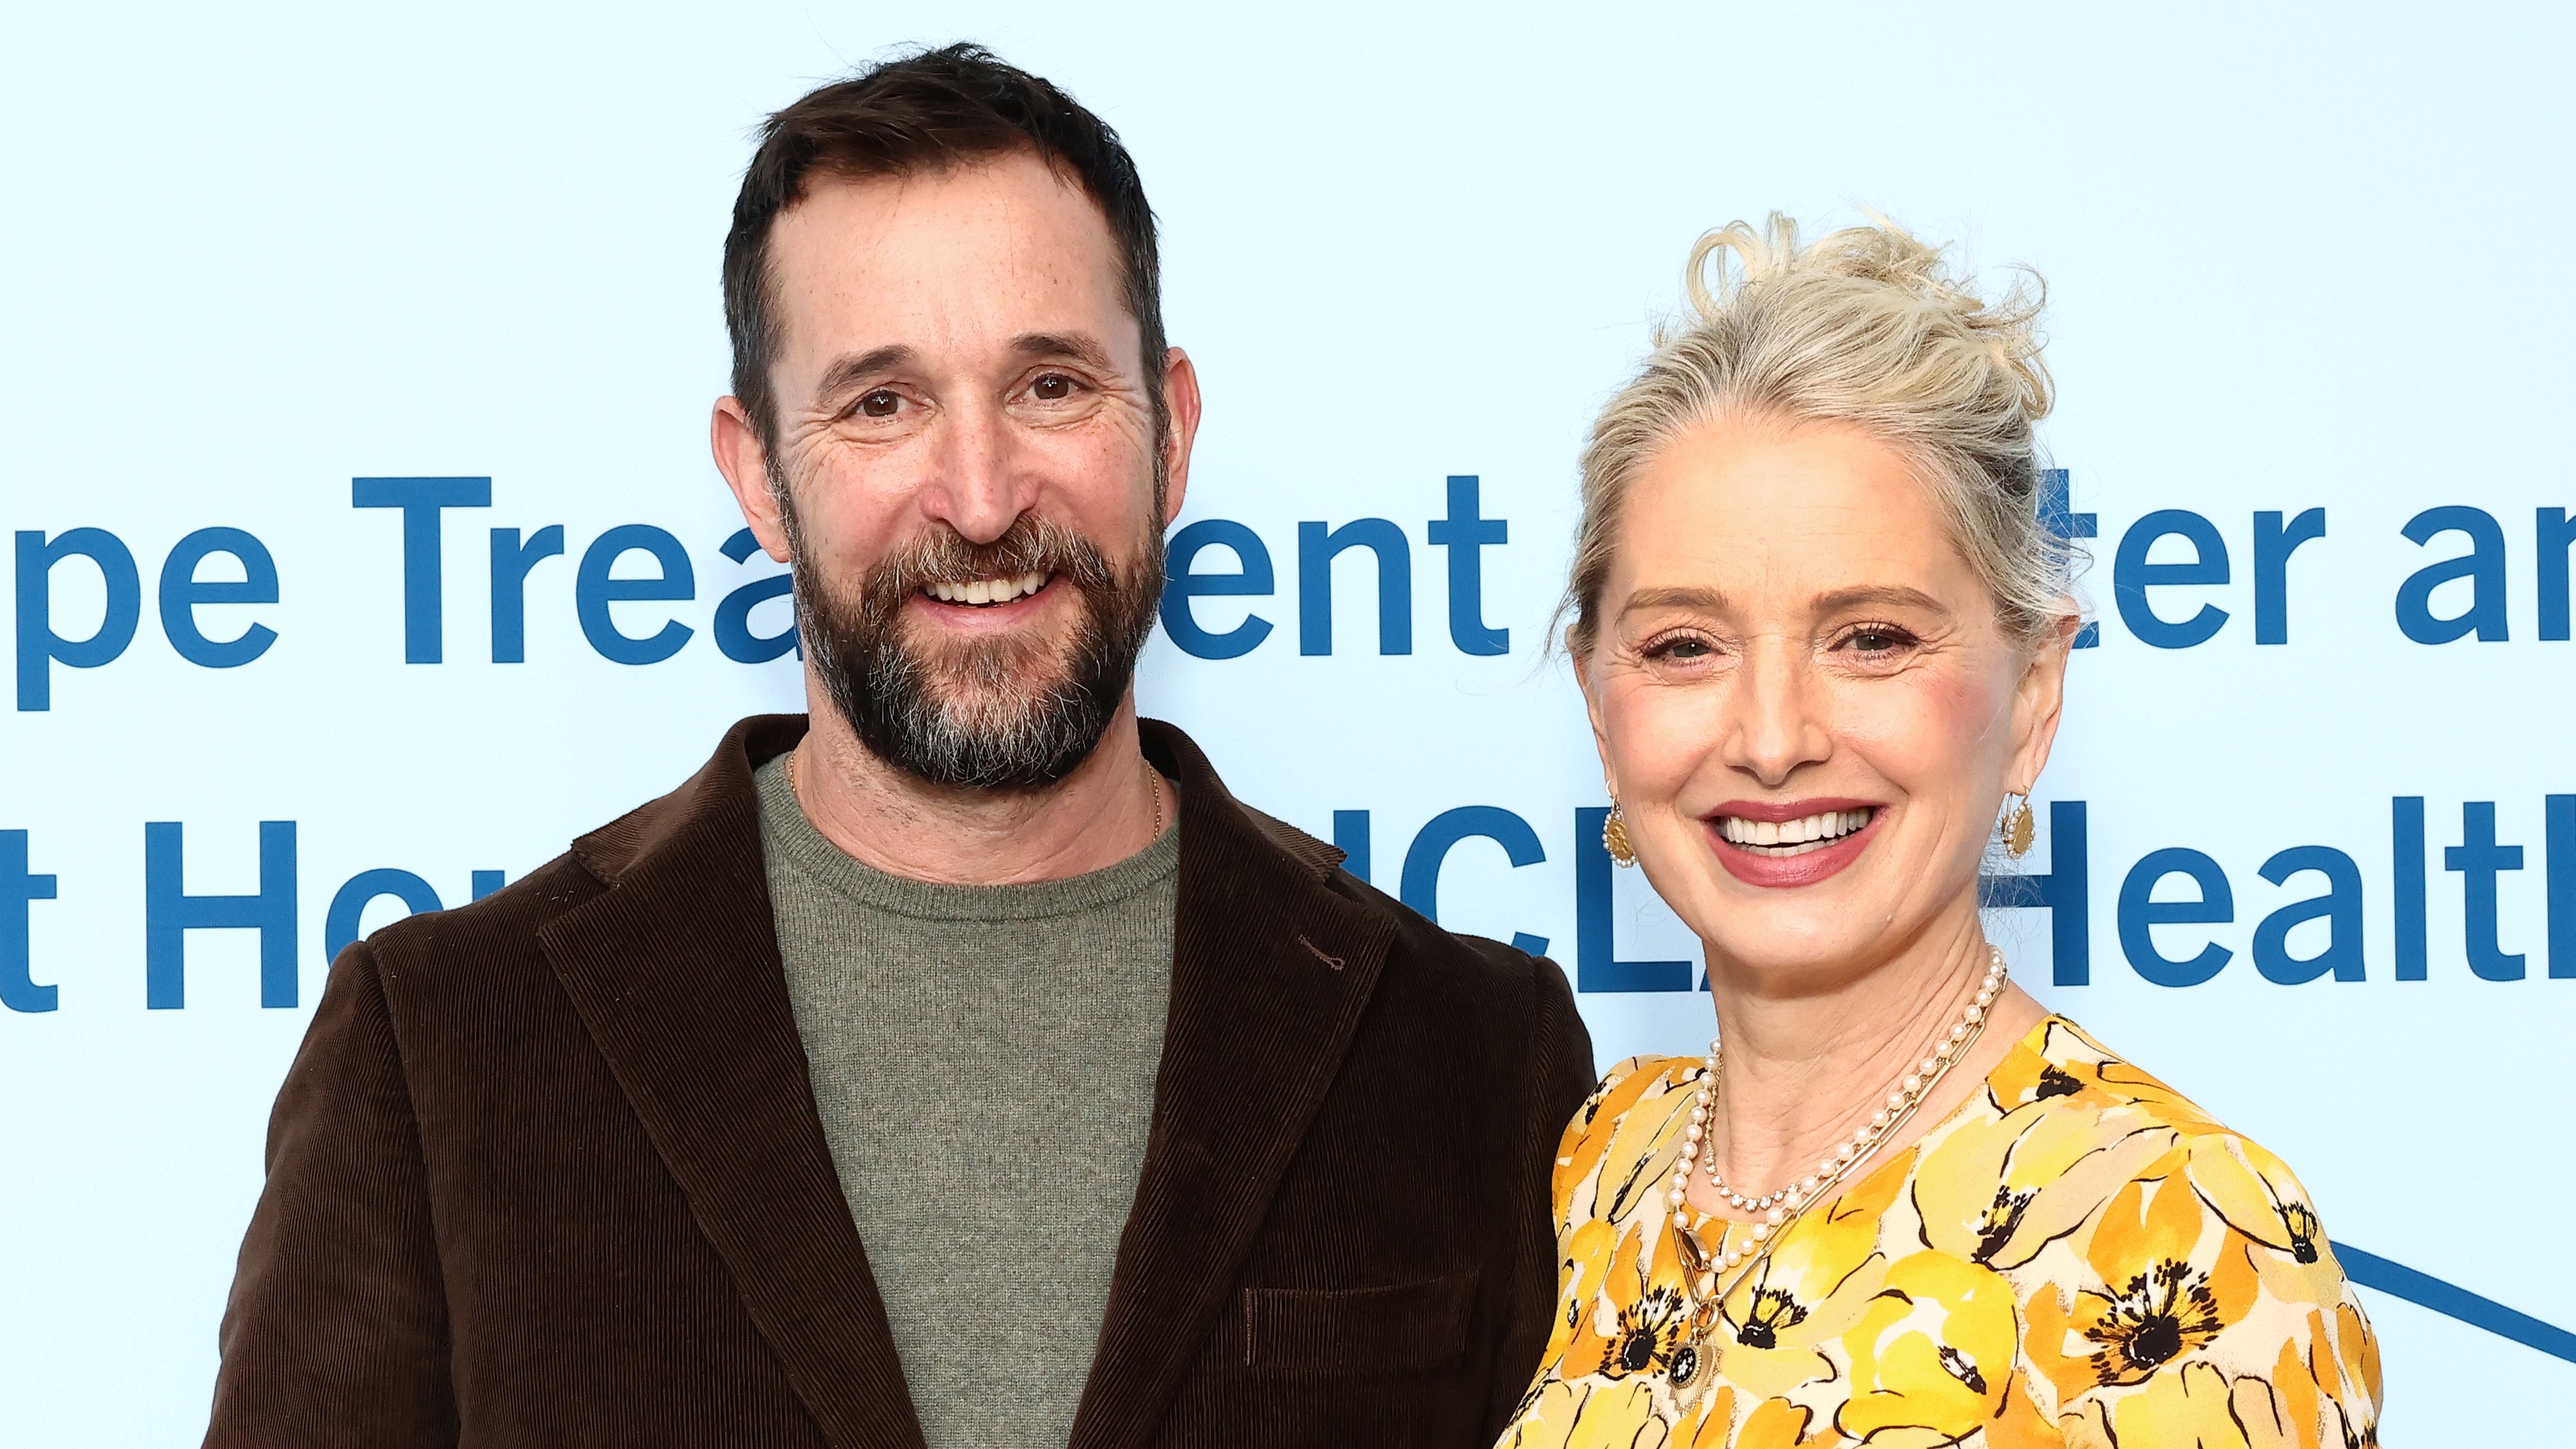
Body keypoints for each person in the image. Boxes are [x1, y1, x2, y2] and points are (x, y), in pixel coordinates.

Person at [205, 45, 1594, 1449]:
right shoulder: (442, 1044)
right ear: (757, 473)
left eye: (1050, 386)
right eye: (881, 403)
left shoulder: (1472, 1053)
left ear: (1168, 435)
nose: (980, 498)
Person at [1499, 217, 2380, 1448]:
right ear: (1601, 711)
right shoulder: (1604, 1162)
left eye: (1870, 638)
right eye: (1683, 647)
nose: (1769, 737)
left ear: (2030, 697)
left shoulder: (2184, 1240)